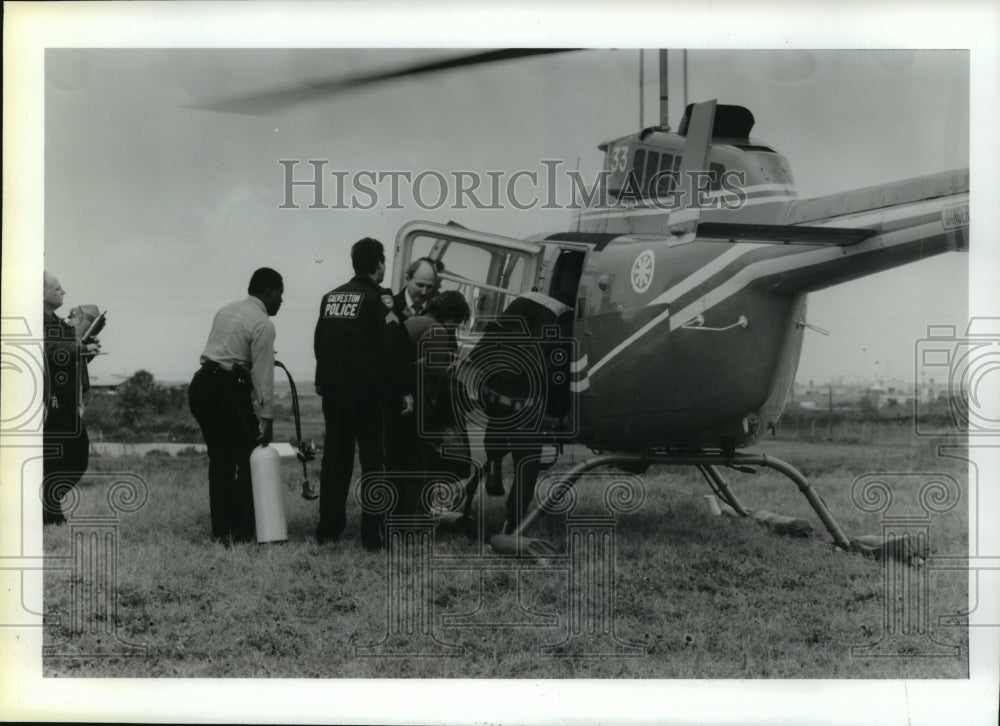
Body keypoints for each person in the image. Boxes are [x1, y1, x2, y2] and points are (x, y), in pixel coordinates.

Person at [314, 238, 414, 550]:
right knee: (374, 462)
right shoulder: (380, 298)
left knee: (335, 460)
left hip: (333, 392)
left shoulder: (330, 297)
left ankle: (329, 531)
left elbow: (321, 342)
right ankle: (372, 536)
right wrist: (404, 389)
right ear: (380, 264)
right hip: (366, 393)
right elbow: (393, 347)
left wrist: (322, 380)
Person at [188, 267, 283, 544]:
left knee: (221, 461)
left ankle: (222, 532)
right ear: (270, 291)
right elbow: (263, 376)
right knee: (250, 457)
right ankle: (240, 532)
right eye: (280, 295)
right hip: (226, 390)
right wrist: (267, 419)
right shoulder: (264, 324)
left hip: (201, 386)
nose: (281, 302)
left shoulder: (227, 310)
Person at [403, 290, 472, 514]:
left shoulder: (412, 321)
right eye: (458, 322)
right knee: (443, 463)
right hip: (417, 409)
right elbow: (441, 379)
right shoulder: (437, 330)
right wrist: (443, 422)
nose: (456, 329)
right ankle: (416, 518)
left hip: (398, 404)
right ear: (452, 316)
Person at [42, 271, 101, 525]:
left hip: (65, 400)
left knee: (76, 457)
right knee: (58, 460)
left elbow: (66, 356)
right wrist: (80, 347)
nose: (63, 292)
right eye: (58, 289)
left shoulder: (55, 321)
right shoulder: (38, 321)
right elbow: (48, 350)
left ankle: (46, 506)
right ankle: (50, 512)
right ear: (41, 293)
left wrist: (88, 348)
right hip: (51, 400)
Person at [393, 257, 439, 322]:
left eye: (429, 287)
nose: (424, 292)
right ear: (408, 278)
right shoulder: (391, 307)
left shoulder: (438, 312)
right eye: (420, 285)